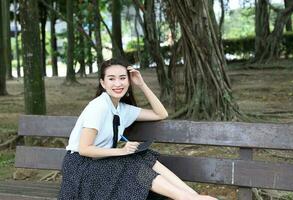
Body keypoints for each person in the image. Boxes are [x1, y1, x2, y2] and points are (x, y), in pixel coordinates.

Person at [58, 58, 217, 200]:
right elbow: (85, 149)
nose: (118, 84)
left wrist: (141, 84)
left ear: (129, 80)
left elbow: (161, 113)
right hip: (80, 169)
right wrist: (121, 151)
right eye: (111, 79)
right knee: (130, 162)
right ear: (103, 83)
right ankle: (185, 198)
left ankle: (193, 195)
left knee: (143, 154)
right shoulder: (98, 107)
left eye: (122, 78)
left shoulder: (122, 109)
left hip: (101, 164)